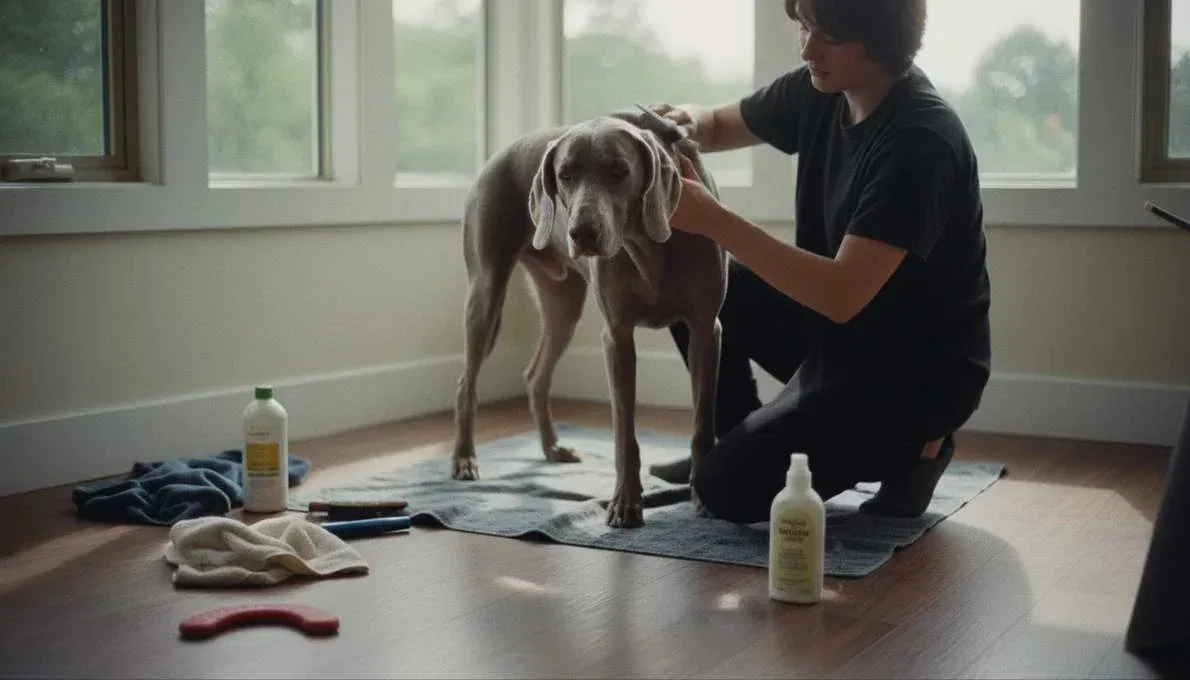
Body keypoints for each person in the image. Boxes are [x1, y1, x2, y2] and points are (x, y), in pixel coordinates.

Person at [647, 0, 992, 523]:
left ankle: (916, 451)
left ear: (879, 37)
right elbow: (716, 125)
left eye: (826, 34)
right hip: (836, 340)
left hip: (910, 378)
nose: (808, 48)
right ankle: (736, 433)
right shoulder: (820, 88)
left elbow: (841, 295)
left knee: (723, 489)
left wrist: (715, 219)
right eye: (804, 27)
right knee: (685, 276)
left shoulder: (920, 140)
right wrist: (681, 122)